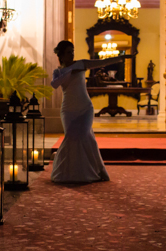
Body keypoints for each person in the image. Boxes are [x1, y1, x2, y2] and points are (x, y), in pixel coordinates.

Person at [50, 40, 127, 183]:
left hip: (85, 108)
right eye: (68, 52)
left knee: (83, 136)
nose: (72, 54)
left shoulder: (82, 64)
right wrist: (71, 70)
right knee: (74, 138)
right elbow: (54, 84)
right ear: (61, 55)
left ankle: (92, 171)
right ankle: (68, 171)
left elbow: (102, 62)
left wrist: (121, 58)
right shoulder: (58, 72)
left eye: (73, 51)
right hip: (68, 111)